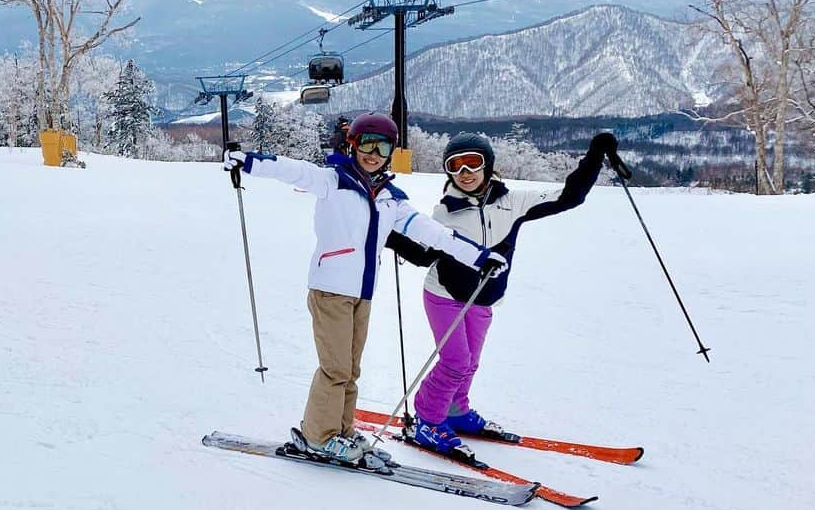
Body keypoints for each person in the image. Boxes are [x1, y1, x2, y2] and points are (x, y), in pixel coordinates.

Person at [222, 112, 507, 464]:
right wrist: (247, 161)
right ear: (353, 145)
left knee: (350, 369)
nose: (373, 153)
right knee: (335, 368)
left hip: (363, 293)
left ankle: (341, 430)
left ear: (391, 151)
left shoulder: (392, 198)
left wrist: (479, 257)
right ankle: (317, 436)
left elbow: (433, 233)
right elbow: (291, 169)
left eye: (382, 146)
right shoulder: (332, 180)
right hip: (330, 290)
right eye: (366, 144)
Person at [402, 131, 618, 455]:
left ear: (487, 165)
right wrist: (391, 235)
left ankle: (456, 410)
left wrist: (595, 156)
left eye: (472, 163)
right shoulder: (445, 213)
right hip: (444, 294)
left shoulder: (513, 203)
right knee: (455, 361)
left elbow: (569, 196)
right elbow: (424, 254)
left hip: (483, 298)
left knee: (470, 361)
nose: (465, 172)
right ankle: (428, 419)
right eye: (455, 166)